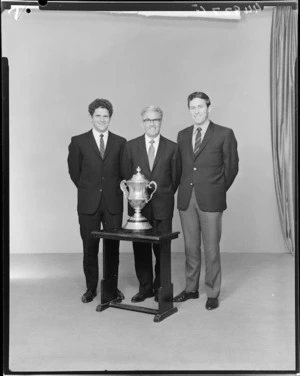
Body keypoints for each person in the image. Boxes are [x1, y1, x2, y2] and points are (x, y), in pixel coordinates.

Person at [174, 91, 239, 310]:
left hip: (211, 199)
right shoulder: (182, 135)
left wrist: (217, 189)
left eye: (200, 107)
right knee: (190, 247)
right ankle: (191, 289)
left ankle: (212, 292)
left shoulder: (224, 133)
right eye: (192, 108)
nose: (196, 111)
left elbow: (231, 168)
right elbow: (181, 168)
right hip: (186, 200)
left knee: (211, 248)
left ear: (209, 108)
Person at [67, 98, 126, 304]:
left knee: (112, 248)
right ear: (91, 117)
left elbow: (124, 172)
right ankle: (91, 288)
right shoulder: (78, 142)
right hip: (88, 203)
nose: (102, 119)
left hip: (113, 204)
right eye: (98, 116)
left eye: (106, 116)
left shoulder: (120, 142)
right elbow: (75, 173)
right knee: (90, 247)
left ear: (110, 118)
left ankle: (111, 288)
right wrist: (89, 190)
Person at [123, 105, 181, 303]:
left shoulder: (173, 147)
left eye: (155, 120)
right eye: (148, 120)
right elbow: (126, 176)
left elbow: (176, 178)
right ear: (142, 123)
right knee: (140, 249)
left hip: (163, 207)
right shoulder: (130, 147)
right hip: (139, 209)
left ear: (161, 122)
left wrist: (162, 195)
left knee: (162, 250)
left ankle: (160, 289)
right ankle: (145, 288)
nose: (152, 124)